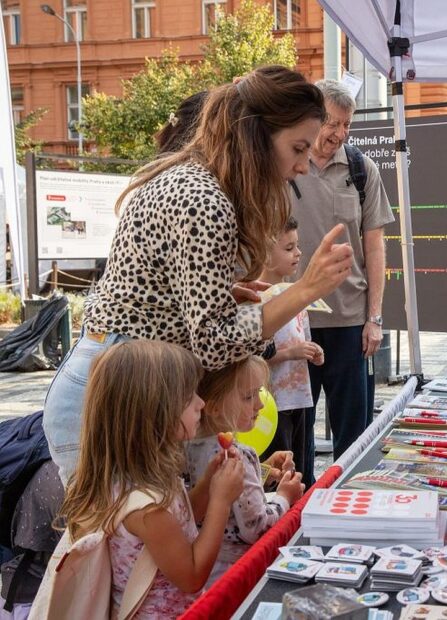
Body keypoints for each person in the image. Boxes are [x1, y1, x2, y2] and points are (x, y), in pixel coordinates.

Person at [43, 65, 355, 483]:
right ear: (257, 136)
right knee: (127, 547)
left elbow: (167, 302)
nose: (303, 166)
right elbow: (213, 342)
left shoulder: (198, 182)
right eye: (298, 148)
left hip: (121, 385)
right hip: (117, 397)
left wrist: (227, 292)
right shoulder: (204, 199)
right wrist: (303, 291)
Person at [57, 340, 245, 617]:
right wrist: (221, 502)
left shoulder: (144, 476)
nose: (201, 402)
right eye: (190, 395)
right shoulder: (147, 509)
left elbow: (178, 528)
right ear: (157, 411)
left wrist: (206, 486)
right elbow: (191, 576)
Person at [291, 79, 395, 461]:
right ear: (313, 118)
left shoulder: (360, 169)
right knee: (294, 437)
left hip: (350, 325)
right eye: (333, 123)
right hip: (294, 322)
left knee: (354, 437)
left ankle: (348, 504)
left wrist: (375, 318)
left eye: (347, 125)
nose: (340, 133)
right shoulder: (284, 166)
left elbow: (375, 247)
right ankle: (296, 510)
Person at [185, 355, 305, 587]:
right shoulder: (239, 455)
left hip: (209, 570)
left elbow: (232, 496)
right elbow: (257, 527)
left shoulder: (184, 448)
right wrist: (285, 497)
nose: (260, 404)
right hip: (240, 573)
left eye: (259, 392)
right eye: (249, 396)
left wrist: (263, 470)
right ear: (214, 407)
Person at [260, 216, 325, 481]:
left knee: (300, 469)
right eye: (288, 248)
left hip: (299, 399)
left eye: (297, 246)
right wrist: (290, 354)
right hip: (272, 404)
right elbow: (254, 357)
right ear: (263, 255)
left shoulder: (296, 294)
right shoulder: (256, 299)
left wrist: (314, 351)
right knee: (280, 472)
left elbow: (303, 339)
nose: (298, 253)